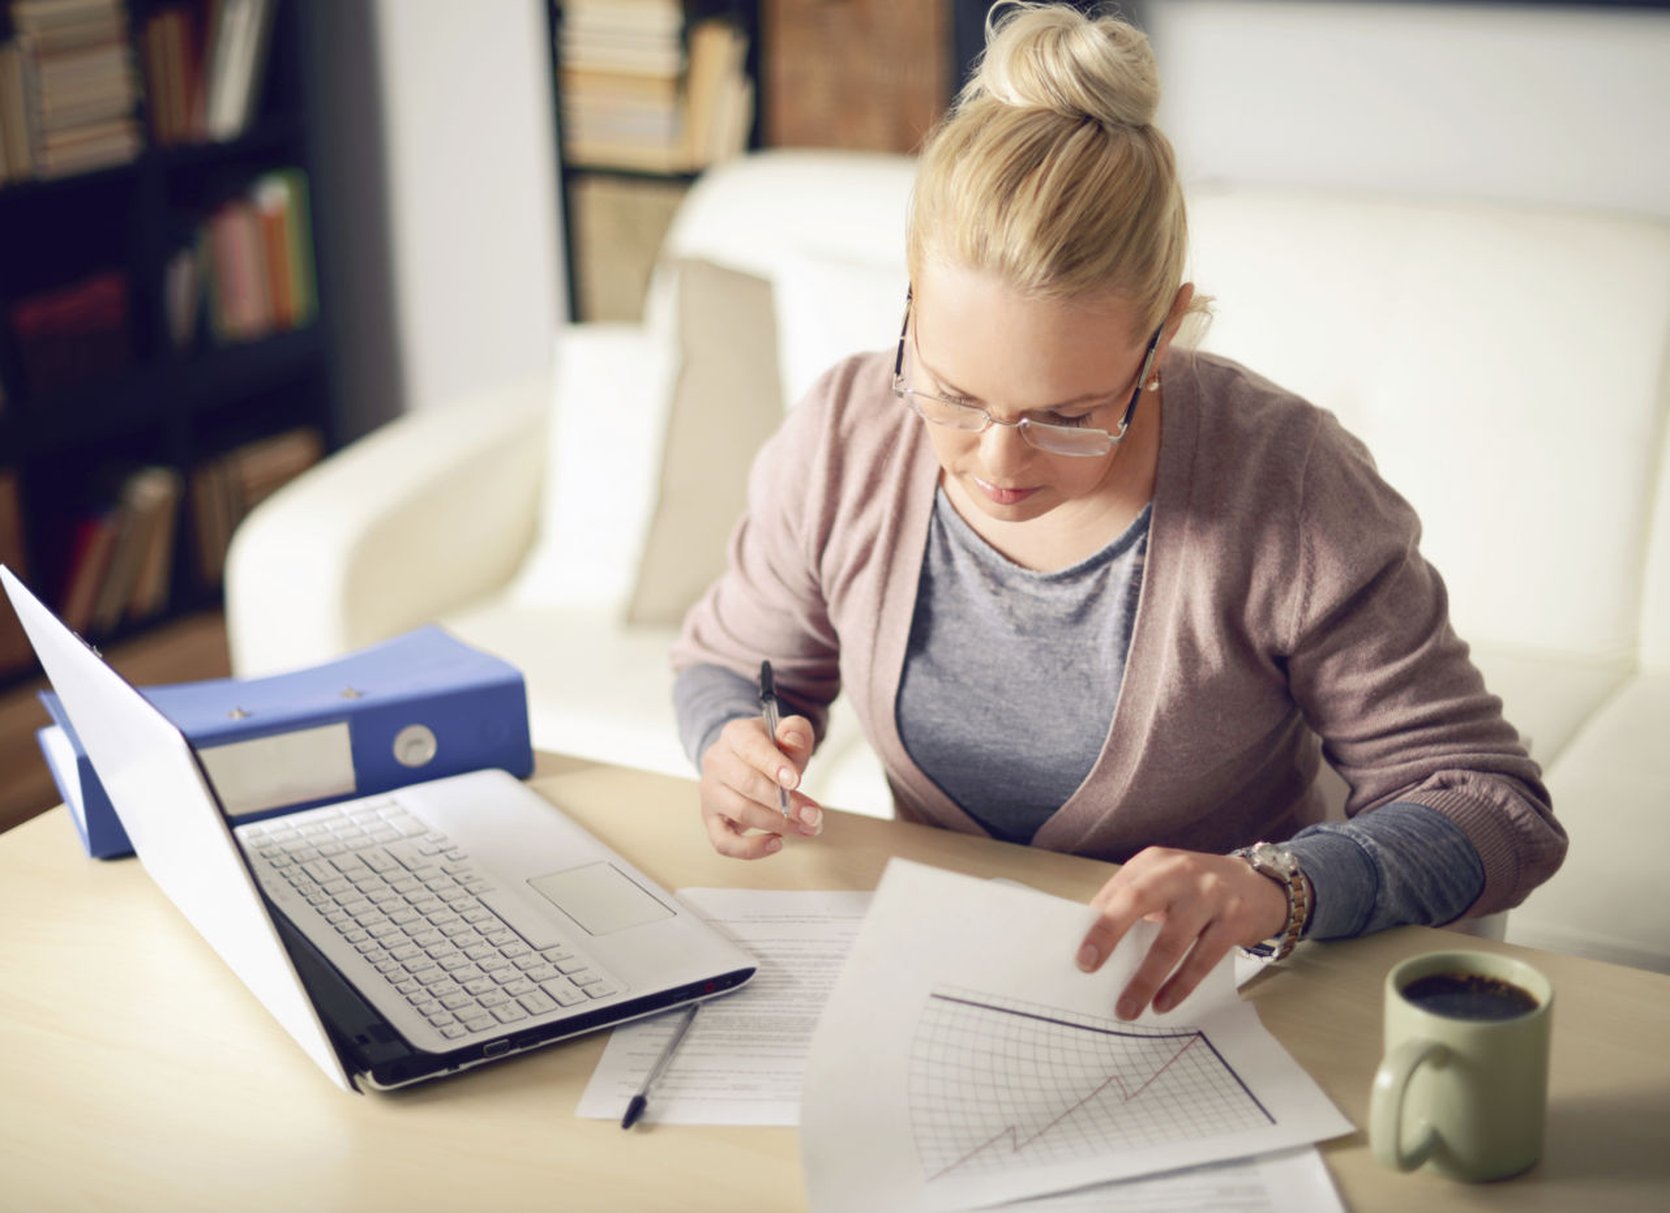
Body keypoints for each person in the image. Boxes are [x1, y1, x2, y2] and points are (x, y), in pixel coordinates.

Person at [670, 1, 1566, 1021]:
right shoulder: (845, 429)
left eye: (1067, 415)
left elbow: (1493, 807)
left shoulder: (1288, 486)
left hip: (1221, 1013)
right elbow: (728, 664)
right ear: (910, 300)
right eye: (951, 393)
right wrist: (731, 746)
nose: (996, 463)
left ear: (1164, 332)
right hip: (932, 990)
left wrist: (1281, 886)